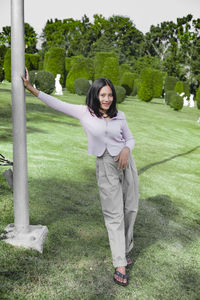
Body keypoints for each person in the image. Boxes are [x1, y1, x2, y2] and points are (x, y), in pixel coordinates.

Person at [22, 68, 139, 287]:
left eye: (110, 95)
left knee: (130, 209)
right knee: (114, 214)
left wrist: (127, 149)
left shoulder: (119, 115)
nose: (106, 99)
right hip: (105, 165)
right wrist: (31, 88)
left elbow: (130, 138)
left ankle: (124, 249)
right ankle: (120, 263)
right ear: (95, 95)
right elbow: (56, 103)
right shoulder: (84, 112)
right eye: (102, 95)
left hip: (126, 164)